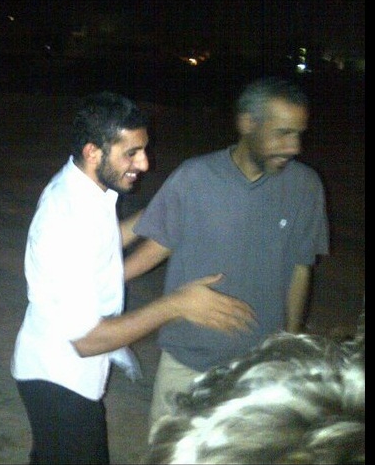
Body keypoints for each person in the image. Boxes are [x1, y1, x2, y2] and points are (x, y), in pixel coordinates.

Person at [11, 91, 256, 465]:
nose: (144, 162)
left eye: (144, 149)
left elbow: (103, 242)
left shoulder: (86, 190)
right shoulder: (67, 218)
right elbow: (89, 340)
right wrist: (178, 305)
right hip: (58, 378)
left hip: (64, 373)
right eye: (132, 153)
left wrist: (162, 214)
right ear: (93, 152)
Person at [124, 76, 330, 435]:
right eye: (283, 133)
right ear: (248, 123)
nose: (294, 146)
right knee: (171, 452)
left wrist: (289, 345)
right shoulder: (194, 176)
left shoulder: (305, 186)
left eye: (299, 134)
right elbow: (156, 247)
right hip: (187, 360)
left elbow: (301, 268)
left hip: (257, 368)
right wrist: (98, 280)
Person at [146, 306, 365, 465]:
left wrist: (288, 334)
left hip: (258, 363)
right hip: (191, 355)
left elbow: (300, 270)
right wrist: (176, 305)